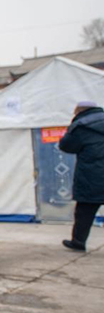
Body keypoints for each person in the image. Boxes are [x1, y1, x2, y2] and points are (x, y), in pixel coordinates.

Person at [59, 101, 104, 251]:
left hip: (91, 176)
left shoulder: (81, 126)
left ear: (79, 111)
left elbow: (66, 146)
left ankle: (78, 242)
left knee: (85, 211)